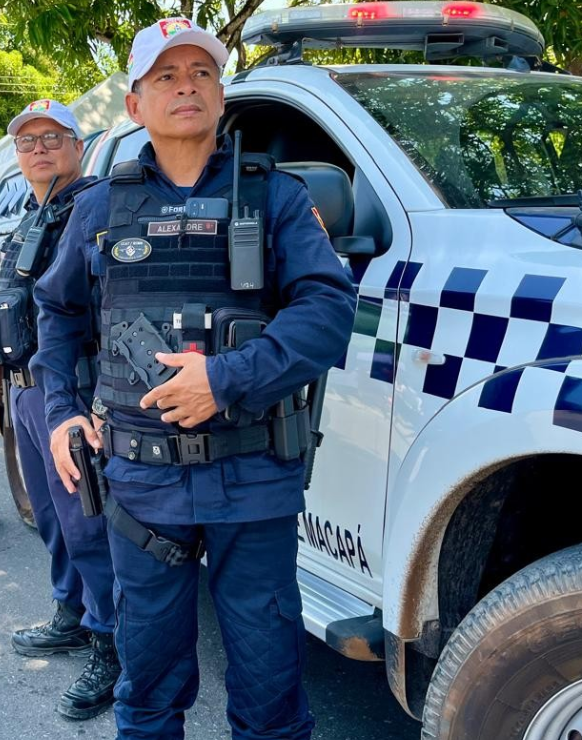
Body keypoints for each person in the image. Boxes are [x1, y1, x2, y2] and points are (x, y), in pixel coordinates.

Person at [33, 18, 357, 739]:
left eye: (202, 73)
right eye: (166, 76)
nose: (187, 86)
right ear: (136, 105)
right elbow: (55, 313)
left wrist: (227, 378)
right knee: (148, 687)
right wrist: (61, 411)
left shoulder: (274, 197)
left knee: (271, 693)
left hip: (253, 476)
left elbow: (329, 309)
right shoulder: (97, 207)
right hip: (141, 483)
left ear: (221, 94)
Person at [0, 100, 119, 720]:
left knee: (88, 526)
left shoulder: (96, 206)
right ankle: (70, 613)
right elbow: (14, 288)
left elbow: (93, 308)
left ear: (78, 146)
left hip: (69, 390)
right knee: (53, 520)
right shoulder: (33, 212)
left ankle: (111, 645)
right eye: (27, 142)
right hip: (24, 386)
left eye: (53, 137)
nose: (39, 149)